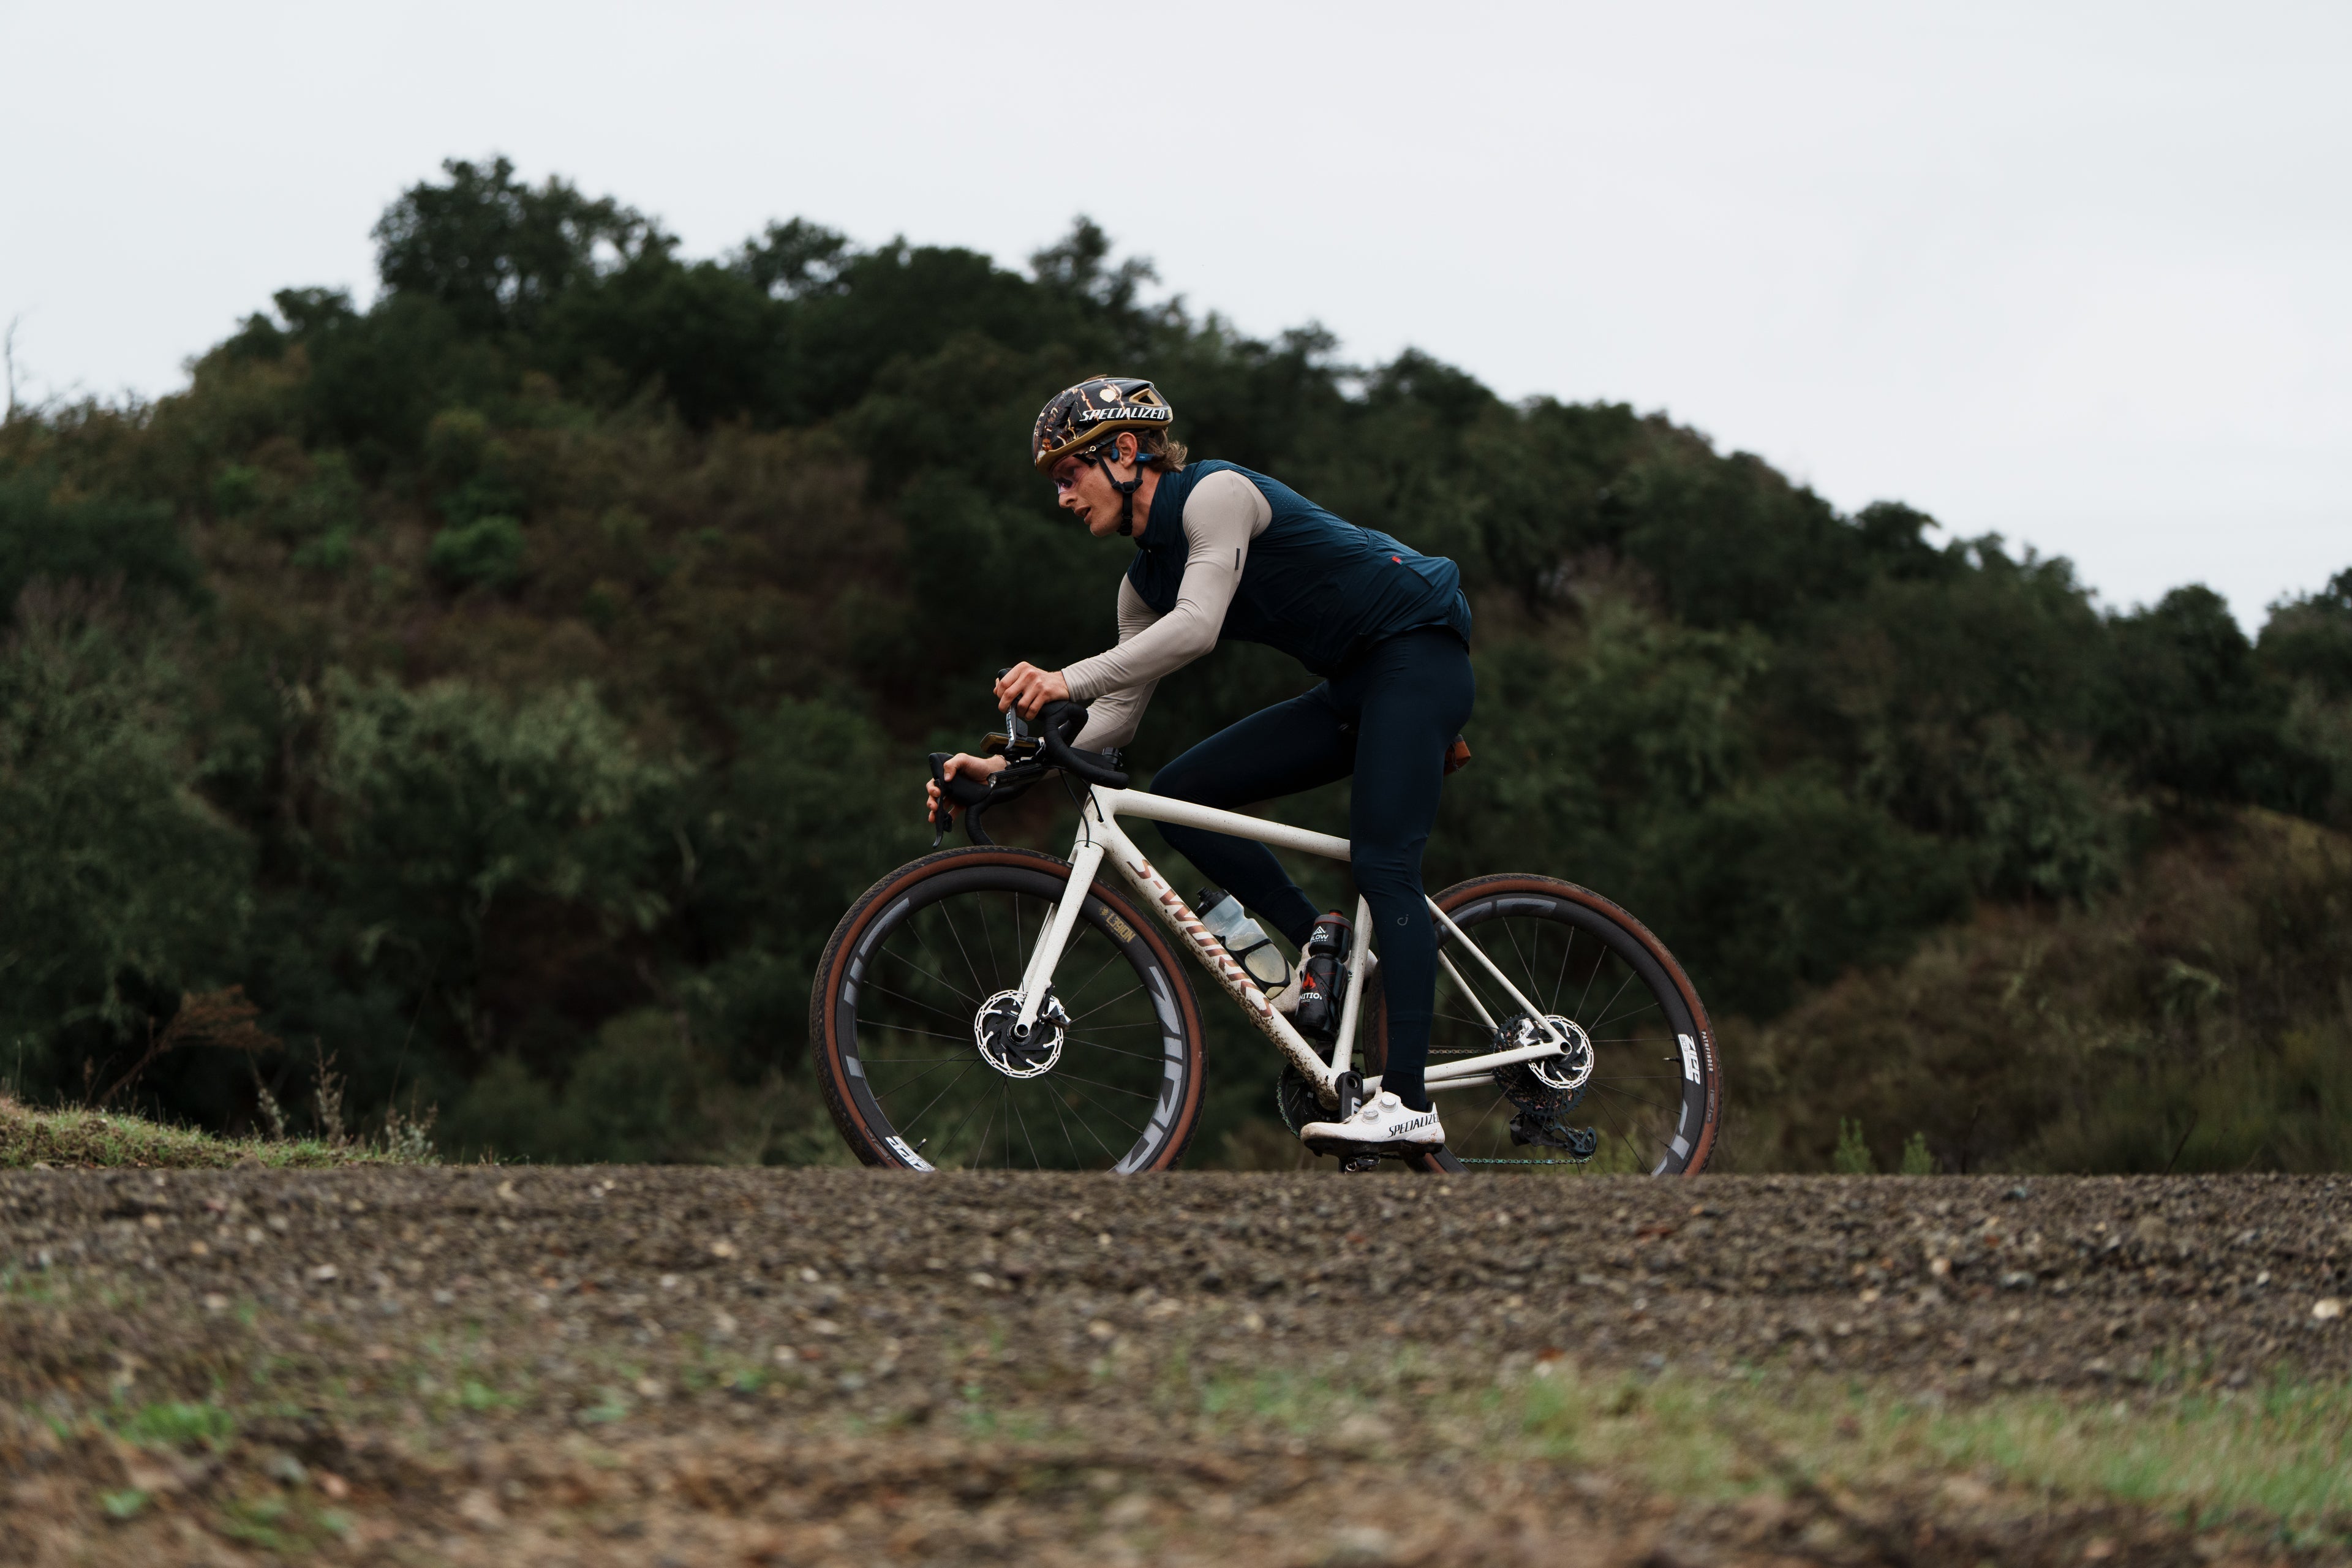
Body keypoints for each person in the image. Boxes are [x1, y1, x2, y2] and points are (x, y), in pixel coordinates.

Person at [925, 375, 1475, 1158]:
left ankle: (1410, 1103)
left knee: (1385, 863)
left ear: (1124, 452)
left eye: (1069, 474)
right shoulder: (1141, 585)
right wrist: (1004, 769)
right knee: (1183, 793)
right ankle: (1325, 955)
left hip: (1418, 656)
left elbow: (1198, 626)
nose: (1062, 497)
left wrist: (1066, 678)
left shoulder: (1215, 495)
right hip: (1356, 685)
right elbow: (1114, 724)